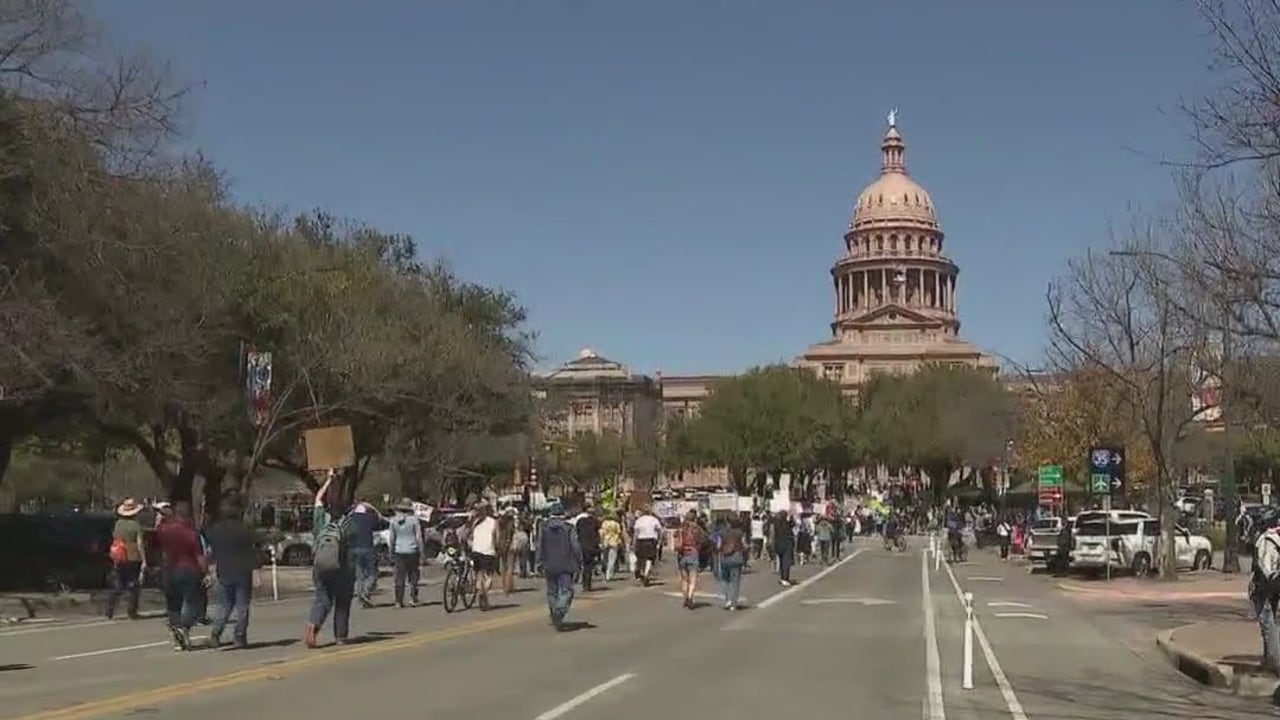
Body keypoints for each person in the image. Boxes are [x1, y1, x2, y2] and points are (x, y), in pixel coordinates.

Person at [305, 471, 356, 648]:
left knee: (322, 598)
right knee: (342, 601)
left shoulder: (320, 520)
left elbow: (318, 499)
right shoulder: (347, 523)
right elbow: (352, 544)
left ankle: (313, 626)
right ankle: (340, 636)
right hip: (341, 567)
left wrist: (329, 479)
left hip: (320, 565)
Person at [204, 495, 260, 649]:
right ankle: (240, 637)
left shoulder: (216, 530)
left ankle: (216, 634)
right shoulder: (244, 529)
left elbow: (211, 545)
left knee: (225, 606)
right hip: (243, 571)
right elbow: (252, 550)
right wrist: (256, 570)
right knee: (242, 607)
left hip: (225, 570)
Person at [154, 501, 208, 651]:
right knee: (193, 602)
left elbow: (155, 541)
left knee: (173, 603)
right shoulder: (191, 533)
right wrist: (205, 572)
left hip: (169, 569)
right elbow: (199, 555)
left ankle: (176, 628)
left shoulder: (164, 530)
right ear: (189, 515)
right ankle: (184, 628)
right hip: (188, 569)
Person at [538, 503, 581, 630]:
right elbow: (575, 546)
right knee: (566, 590)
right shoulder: (568, 528)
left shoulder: (544, 527)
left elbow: (539, 545)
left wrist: (539, 562)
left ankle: (554, 612)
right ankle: (559, 610)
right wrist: (579, 560)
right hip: (566, 563)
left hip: (549, 563)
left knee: (552, 591)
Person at [106, 498, 147, 620]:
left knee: (119, 584)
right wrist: (144, 559)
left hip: (119, 556)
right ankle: (132, 611)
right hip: (133, 557)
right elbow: (140, 544)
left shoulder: (118, 524)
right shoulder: (136, 526)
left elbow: (115, 539)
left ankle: (110, 608)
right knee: (133, 585)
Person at [1252, 509, 1280, 676]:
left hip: (1265, 587)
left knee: (1267, 624)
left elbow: (1265, 566)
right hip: (1276, 586)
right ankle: (1268, 660)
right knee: (1270, 622)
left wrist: (1260, 584)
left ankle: (1272, 663)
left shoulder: (1265, 540)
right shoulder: (1277, 536)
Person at [388, 498, 424, 607]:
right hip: (412, 551)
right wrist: (422, 552)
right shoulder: (414, 520)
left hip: (399, 551)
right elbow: (419, 538)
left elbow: (392, 538)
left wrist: (391, 552)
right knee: (413, 576)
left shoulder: (393, 521)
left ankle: (398, 601)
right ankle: (413, 598)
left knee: (399, 577)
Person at [469, 503, 499, 611]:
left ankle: (479, 590)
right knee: (489, 575)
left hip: (476, 550)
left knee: (479, 574)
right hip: (488, 551)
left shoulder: (475, 522)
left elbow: (471, 535)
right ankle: (484, 591)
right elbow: (496, 537)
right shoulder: (493, 522)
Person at [716, 518, 747, 610]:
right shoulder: (740, 533)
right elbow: (744, 544)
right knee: (735, 581)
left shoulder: (722, 533)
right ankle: (734, 603)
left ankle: (728, 600)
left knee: (725, 580)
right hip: (737, 558)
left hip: (724, 558)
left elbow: (718, 546)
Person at [675, 511, 703, 609]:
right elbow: (702, 541)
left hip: (682, 554)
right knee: (693, 579)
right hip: (693, 553)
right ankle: (690, 597)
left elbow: (675, 539)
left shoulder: (681, 528)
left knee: (684, 579)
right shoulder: (697, 529)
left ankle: (685, 598)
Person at [632, 507, 663, 585]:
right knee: (649, 559)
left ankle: (640, 572)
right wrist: (659, 540)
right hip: (651, 540)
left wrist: (634, 542)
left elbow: (636, 533)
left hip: (641, 540)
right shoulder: (654, 520)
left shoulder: (639, 520)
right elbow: (660, 531)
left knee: (641, 558)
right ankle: (646, 574)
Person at [574, 507, 602, 591]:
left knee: (579, 563)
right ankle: (586, 584)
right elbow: (597, 534)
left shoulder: (580, 521)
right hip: (591, 546)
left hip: (581, 545)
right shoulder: (595, 522)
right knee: (588, 566)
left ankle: (578, 578)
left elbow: (576, 531)